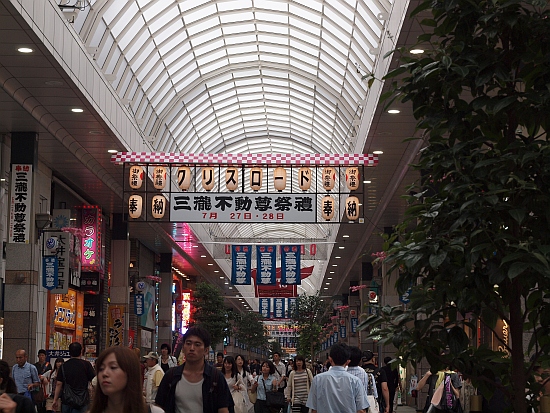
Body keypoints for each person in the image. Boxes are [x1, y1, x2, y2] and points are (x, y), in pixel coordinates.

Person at [155, 326, 234, 413]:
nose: (192, 348)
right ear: (183, 347)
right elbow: (159, 406)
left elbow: (223, 409)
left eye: (197, 344)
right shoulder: (171, 376)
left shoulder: (216, 377)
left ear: (206, 350)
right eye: (188, 343)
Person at [88, 346, 163, 413]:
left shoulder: (155, 411)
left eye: (113, 367)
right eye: (101, 369)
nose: (104, 373)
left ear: (130, 372)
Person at [306, 343, 369, 413]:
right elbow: (361, 410)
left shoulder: (318, 379)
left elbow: (314, 409)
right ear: (348, 362)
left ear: (330, 359)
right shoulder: (355, 381)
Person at [52, 342, 95, 413]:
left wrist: (55, 400)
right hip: (82, 400)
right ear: (81, 351)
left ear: (69, 352)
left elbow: (59, 384)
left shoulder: (63, 366)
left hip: (67, 400)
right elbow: (93, 381)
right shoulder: (86, 365)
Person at [347, 347, 378, 412]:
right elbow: (375, 394)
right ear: (360, 360)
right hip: (362, 408)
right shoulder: (366, 374)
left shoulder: (342, 373)